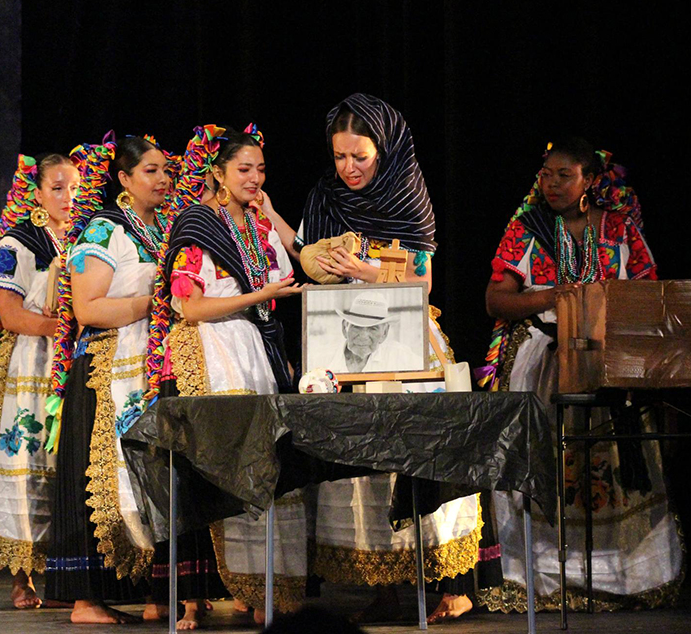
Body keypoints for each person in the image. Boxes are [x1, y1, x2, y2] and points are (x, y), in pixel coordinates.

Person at [262, 93, 481, 624]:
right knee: (363, 464)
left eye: (359, 156)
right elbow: (308, 253)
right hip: (345, 344)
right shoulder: (326, 195)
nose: (349, 167)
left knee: (421, 451)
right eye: (340, 156)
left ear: (383, 150)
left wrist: (366, 272)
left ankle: (449, 585)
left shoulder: (406, 193)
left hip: (405, 341)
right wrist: (271, 217)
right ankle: (383, 587)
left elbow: (423, 282)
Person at [480, 138, 683, 611]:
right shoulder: (528, 227)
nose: (551, 183)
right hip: (543, 360)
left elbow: (650, 295)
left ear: (589, 180)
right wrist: (555, 298)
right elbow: (496, 299)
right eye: (546, 174)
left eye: (564, 175)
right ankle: (540, 578)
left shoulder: (619, 229)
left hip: (608, 364)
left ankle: (621, 578)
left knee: (613, 467)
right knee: (546, 464)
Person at [157, 125, 304, 625]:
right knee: (225, 467)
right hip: (213, 351)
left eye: (261, 169)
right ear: (218, 174)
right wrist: (259, 298)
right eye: (244, 169)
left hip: (255, 349)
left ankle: (264, 590)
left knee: (265, 466)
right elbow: (189, 306)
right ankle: (228, 586)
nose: (254, 177)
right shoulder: (199, 223)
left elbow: (290, 271)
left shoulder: (259, 225)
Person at [45, 135, 170, 624]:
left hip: (149, 368)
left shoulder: (165, 228)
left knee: (150, 476)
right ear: (124, 179)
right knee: (97, 480)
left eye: (166, 171)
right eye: (150, 171)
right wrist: (155, 303)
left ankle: (156, 592)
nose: (162, 179)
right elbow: (88, 309)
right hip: (105, 370)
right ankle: (85, 600)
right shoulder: (104, 230)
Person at [0, 154, 78, 609]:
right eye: (58, 188)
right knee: (29, 461)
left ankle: (70, 580)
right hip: (34, 364)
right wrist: (62, 326)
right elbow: (11, 315)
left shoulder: (88, 239)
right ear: (38, 194)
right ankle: (22, 578)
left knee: (69, 466)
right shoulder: (18, 242)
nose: (68, 197)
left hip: (75, 361)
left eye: (75, 188)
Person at [325, 291, 421, 373]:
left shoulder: (402, 357)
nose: (363, 336)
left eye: (373, 329)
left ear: (384, 333)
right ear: (344, 327)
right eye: (357, 327)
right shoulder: (323, 357)